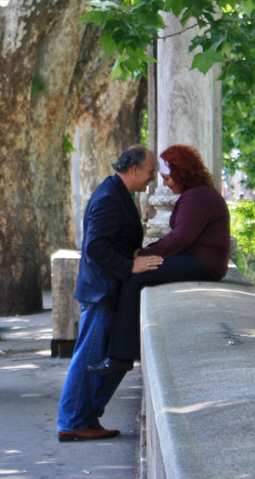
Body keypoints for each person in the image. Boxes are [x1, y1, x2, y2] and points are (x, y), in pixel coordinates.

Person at [88, 144, 230, 375]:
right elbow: (179, 239)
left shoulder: (197, 197)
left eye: (167, 178)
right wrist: (146, 254)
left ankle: (121, 356)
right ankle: (120, 353)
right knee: (137, 274)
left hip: (204, 263)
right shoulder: (197, 194)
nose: (164, 183)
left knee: (135, 279)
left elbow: (179, 238)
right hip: (201, 260)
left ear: (182, 174)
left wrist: (142, 256)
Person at [56, 144, 163, 442]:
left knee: (113, 359)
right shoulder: (109, 197)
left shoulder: (115, 192)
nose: (152, 178)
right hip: (100, 292)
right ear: (134, 170)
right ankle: (72, 421)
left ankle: (86, 418)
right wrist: (130, 265)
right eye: (151, 171)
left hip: (106, 289)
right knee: (88, 358)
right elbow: (95, 247)